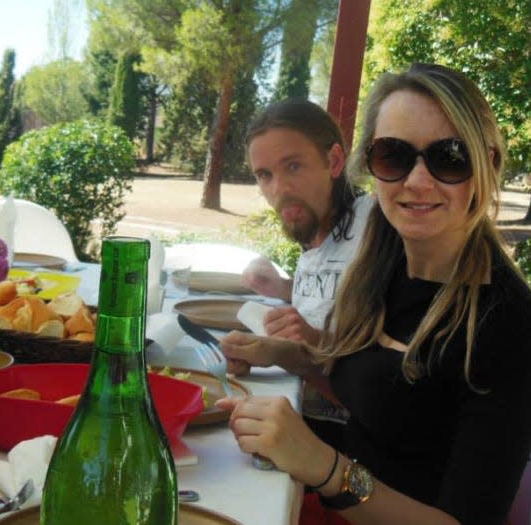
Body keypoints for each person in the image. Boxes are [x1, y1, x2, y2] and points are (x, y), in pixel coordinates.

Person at [218, 63, 531, 525]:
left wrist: (327, 469)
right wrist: (286, 354)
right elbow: (377, 395)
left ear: (489, 164)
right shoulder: (385, 261)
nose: (418, 181)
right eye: (393, 156)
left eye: (449, 156)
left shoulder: (508, 325)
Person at [223, 99, 374, 446]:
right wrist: (282, 288)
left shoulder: (375, 228)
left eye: (293, 166)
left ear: (334, 161)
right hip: (304, 414)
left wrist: (306, 345)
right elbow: (336, 297)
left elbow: (384, 377)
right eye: (265, 175)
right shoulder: (317, 227)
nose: (279, 189)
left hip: (351, 446)